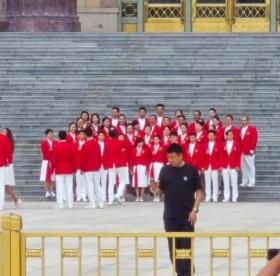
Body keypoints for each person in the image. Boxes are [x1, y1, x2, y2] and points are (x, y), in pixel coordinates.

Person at [153, 143, 203, 276]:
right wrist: (155, 190)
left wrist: (195, 210)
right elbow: (161, 189)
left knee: (186, 251)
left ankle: (187, 273)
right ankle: (182, 273)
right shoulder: (165, 170)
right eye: (168, 158)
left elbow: (199, 191)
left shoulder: (191, 170)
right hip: (170, 217)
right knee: (173, 252)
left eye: (173, 157)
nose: (170, 160)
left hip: (187, 218)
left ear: (181, 155)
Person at [52, 130, 76, 209]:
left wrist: (52, 169)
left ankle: (60, 204)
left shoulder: (56, 146)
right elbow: (73, 159)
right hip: (69, 169)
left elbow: (54, 159)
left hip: (59, 169)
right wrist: (74, 169)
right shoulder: (71, 146)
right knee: (69, 187)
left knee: (60, 187)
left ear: (59, 137)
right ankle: (70, 204)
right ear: (66, 136)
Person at [80, 128, 103, 209]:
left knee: (90, 186)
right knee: (97, 185)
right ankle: (100, 203)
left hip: (88, 168)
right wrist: (99, 165)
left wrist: (82, 169)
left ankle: (92, 203)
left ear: (86, 135)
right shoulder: (97, 144)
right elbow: (99, 156)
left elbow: (83, 158)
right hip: (96, 168)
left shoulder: (85, 145)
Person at [2, 128, 22, 208]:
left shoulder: (8, 141)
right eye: (2, 131)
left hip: (6, 165)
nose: (3, 133)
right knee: (4, 185)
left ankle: (16, 200)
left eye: (4, 132)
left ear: (8, 134)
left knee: (5, 185)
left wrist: (7, 162)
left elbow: (8, 154)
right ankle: (16, 200)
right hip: (4, 164)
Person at [201, 130, 221, 202]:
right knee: (207, 181)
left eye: (212, 135)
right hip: (207, 165)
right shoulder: (204, 145)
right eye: (209, 135)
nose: (211, 137)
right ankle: (208, 196)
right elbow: (202, 157)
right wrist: (202, 166)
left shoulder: (218, 145)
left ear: (215, 136)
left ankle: (215, 197)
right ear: (207, 136)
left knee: (215, 181)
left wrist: (219, 166)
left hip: (215, 165)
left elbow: (220, 156)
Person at [221, 130, 241, 202]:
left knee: (234, 181)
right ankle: (226, 196)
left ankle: (234, 196)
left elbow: (238, 156)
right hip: (225, 165)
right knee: (226, 182)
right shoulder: (223, 144)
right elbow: (221, 156)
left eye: (231, 134)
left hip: (233, 165)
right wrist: (221, 165)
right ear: (226, 135)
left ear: (233, 135)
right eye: (228, 134)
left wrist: (237, 165)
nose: (230, 136)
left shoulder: (237, 144)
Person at [239, 115, 258, 188]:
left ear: (247, 121)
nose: (243, 122)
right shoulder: (240, 129)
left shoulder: (252, 129)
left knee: (250, 166)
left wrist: (252, 149)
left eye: (244, 120)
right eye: (242, 120)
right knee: (243, 167)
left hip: (249, 151)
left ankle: (252, 181)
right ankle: (245, 181)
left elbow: (254, 139)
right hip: (242, 151)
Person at [130, 137, 150, 202]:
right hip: (135, 167)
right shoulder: (133, 150)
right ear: (137, 143)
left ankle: (141, 197)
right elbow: (131, 160)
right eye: (140, 142)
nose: (141, 143)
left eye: (142, 142)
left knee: (143, 182)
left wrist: (147, 169)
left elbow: (147, 160)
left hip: (143, 167)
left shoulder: (145, 150)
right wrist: (131, 170)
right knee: (136, 183)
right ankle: (137, 196)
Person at [40, 129, 56, 198]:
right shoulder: (44, 143)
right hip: (46, 161)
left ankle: (52, 191)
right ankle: (46, 191)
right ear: (46, 134)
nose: (50, 135)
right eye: (49, 133)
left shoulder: (55, 142)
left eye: (51, 133)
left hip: (53, 161)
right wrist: (50, 152)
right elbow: (44, 152)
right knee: (46, 177)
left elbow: (56, 151)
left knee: (53, 177)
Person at [149, 135, 165, 202]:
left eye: (157, 139)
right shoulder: (151, 147)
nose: (156, 140)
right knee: (153, 182)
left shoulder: (162, 148)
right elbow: (148, 157)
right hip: (153, 165)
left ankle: (158, 195)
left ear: (159, 140)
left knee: (159, 181)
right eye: (154, 139)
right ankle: (154, 195)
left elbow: (164, 157)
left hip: (160, 165)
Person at [0, 132, 12, 211]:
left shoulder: (4, 138)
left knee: (1, 184)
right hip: (1, 163)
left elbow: (8, 149)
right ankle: (1, 204)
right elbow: (9, 150)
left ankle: (1, 204)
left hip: (1, 163)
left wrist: (8, 161)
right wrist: (8, 161)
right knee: (1, 185)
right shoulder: (4, 138)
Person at [75, 130, 87, 202]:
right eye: (80, 134)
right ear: (78, 136)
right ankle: (78, 196)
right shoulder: (75, 144)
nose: (82, 136)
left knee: (85, 181)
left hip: (86, 166)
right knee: (78, 181)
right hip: (78, 166)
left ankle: (84, 195)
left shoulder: (87, 143)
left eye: (83, 134)